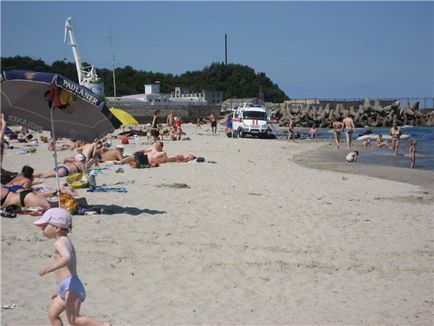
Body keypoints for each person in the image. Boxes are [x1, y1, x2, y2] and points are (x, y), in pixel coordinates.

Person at [34, 208, 111, 326]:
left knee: (74, 320)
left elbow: (67, 257)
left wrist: (49, 268)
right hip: (64, 287)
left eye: (44, 226)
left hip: (71, 287)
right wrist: (59, 289)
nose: (42, 229)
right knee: (52, 314)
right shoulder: (63, 240)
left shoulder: (60, 242)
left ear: (57, 228)